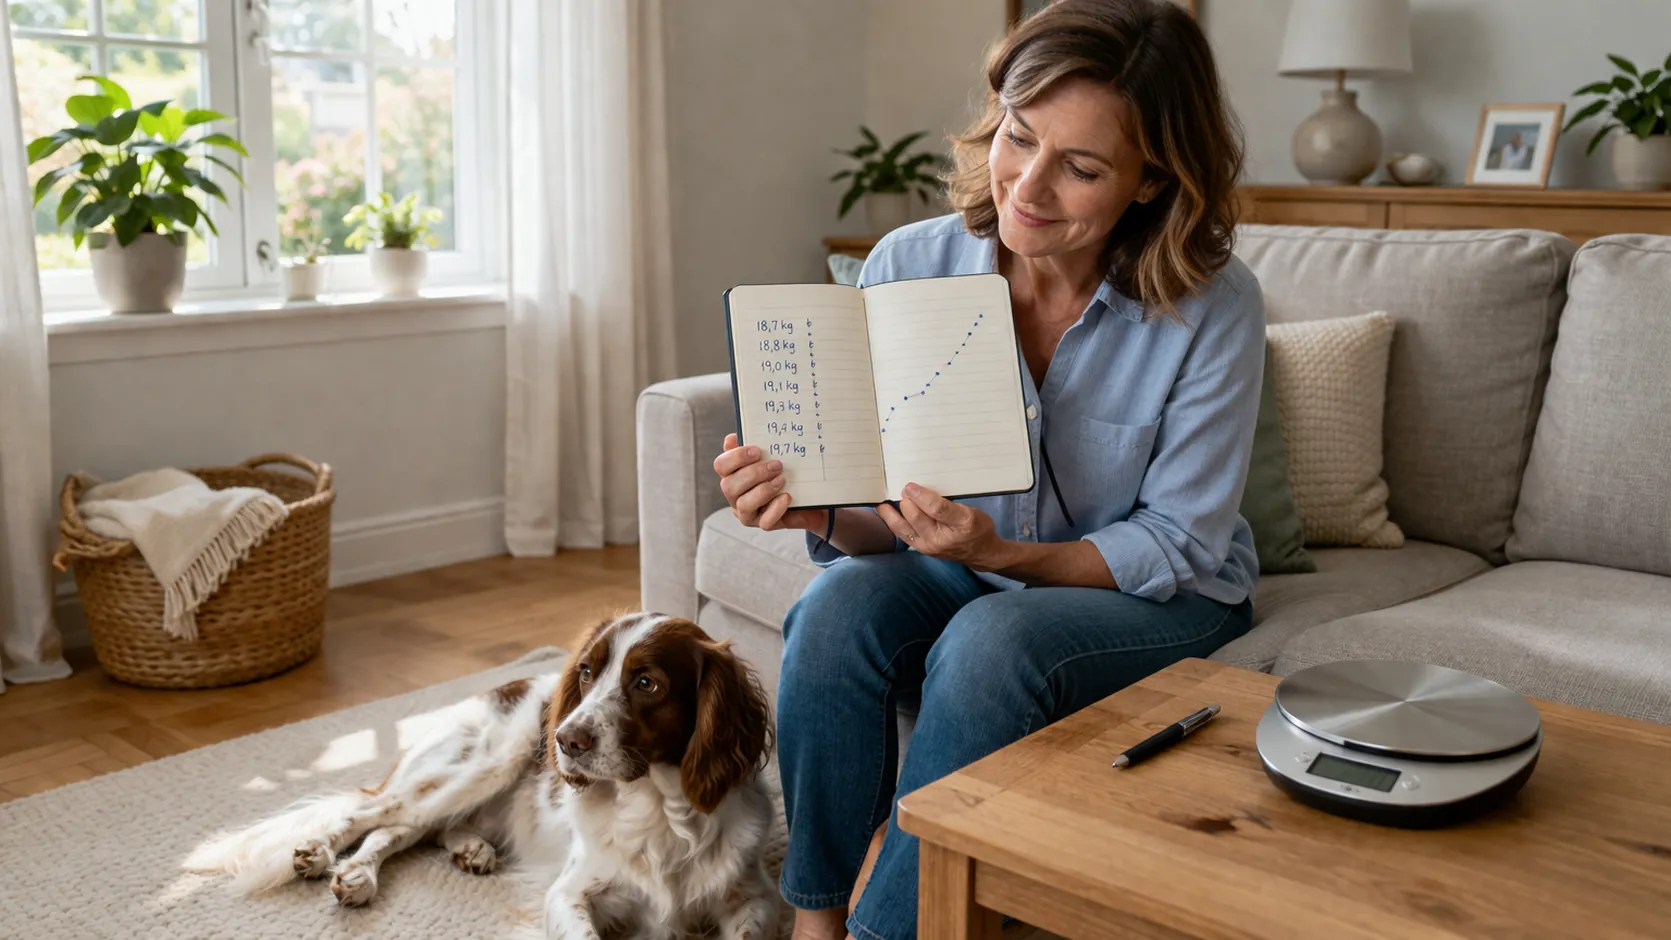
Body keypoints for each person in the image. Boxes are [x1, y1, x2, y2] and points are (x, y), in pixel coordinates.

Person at [712, 2, 1263, 938]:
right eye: (1018, 136)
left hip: (1164, 589)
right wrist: (812, 510)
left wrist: (1005, 556)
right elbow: (883, 518)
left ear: (1148, 180)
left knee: (991, 641)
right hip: (969, 561)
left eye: (1080, 167)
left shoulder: (1210, 307)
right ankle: (814, 919)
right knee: (833, 609)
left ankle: (897, 928)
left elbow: (1179, 540)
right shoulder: (907, 264)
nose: (1028, 186)